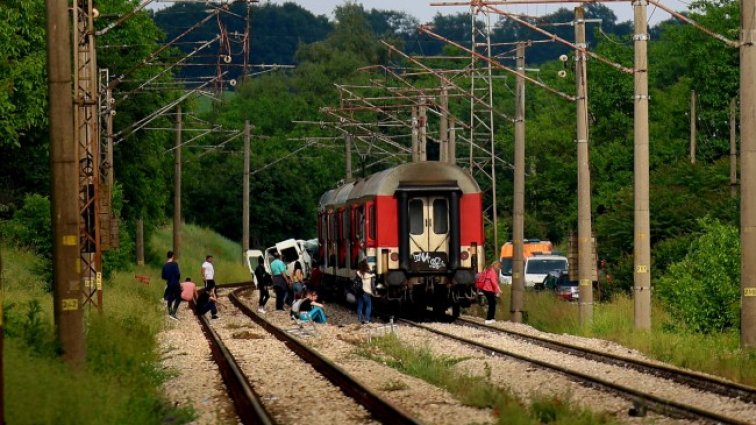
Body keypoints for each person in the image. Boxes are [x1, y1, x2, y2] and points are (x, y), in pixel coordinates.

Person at [161, 250, 182, 320]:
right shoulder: (175, 264)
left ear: (167, 256)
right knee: (178, 297)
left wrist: (168, 278)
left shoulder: (165, 265)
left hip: (169, 283)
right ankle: (173, 313)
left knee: (170, 297)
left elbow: (163, 276)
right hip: (175, 282)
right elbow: (178, 274)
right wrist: (176, 279)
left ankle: (169, 312)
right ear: (172, 256)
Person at [355, 259, 375, 324]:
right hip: (367, 292)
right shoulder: (370, 275)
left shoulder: (358, 273)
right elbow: (372, 285)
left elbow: (356, 282)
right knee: (368, 306)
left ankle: (359, 320)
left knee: (360, 306)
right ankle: (367, 320)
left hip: (360, 291)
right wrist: (374, 292)